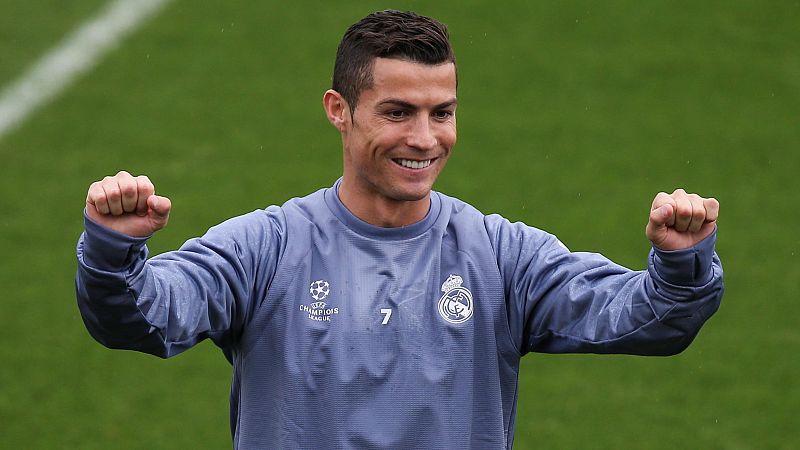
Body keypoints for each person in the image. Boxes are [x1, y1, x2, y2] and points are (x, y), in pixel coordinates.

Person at [75, 10, 723, 449]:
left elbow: (645, 320)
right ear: (339, 110)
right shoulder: (265, 248)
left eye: (442, 113)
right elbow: (144, 318)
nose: (425, 138)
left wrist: (681, 264)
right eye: (398, 112)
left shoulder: (502, 256)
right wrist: (113, 250)